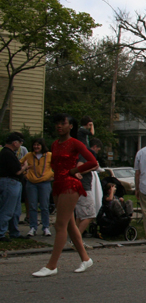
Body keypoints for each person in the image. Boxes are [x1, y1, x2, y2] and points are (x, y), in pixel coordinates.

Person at [32, 115, 99, 276]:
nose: (59, 126)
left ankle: (51, 265)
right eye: (57, 123)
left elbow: (93, 162)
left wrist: (75, 171)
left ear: (71, 126)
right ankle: (85, 258)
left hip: (70, 184)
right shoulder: (55, 144)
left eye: (63, 123)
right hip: (58, 184)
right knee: (69, 224)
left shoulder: (76, 143)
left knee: (59, 225)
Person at [22, 138, 53, 237]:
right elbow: (20, 163)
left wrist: (52, 176)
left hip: (44, 182)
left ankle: (46, 227)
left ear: (42, 146)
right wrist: (25, 174)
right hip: (31, 183)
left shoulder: (49, 155)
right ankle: (33, 227)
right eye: (34, 145)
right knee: (32, 205)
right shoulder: (29, 155)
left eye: (38, 145)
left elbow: (57, 166)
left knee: (44, 206)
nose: (36, 147)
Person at [1, 132, 28, 240]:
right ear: (15, 143)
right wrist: (25, 167)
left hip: (12, 183)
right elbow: (17, 171)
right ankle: (1, 233)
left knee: (16, 210)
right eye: (20, 143)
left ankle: (14, 231)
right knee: (7, 209)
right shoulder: (8, 153)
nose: (20, 145)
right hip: (10, 183)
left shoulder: (6, 153)